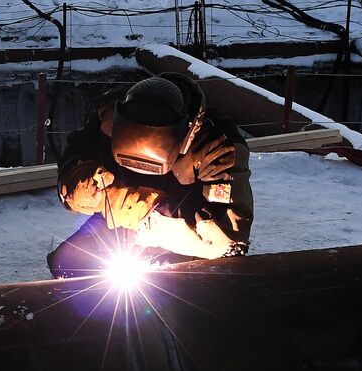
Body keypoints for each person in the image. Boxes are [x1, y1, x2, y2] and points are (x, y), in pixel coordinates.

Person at [47, 72, 253, 279]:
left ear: (186, 135)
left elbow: (227, 241)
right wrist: (76, 179)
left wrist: (139, 211)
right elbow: (76, 152)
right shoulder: (111, 115)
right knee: (66, 262)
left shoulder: (218, 147)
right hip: (115, 222)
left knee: (166, 288)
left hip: (178, 232)